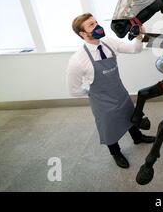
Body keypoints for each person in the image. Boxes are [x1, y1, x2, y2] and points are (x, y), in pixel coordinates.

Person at [66, 13, 155, 169]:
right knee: (109, 128)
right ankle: (116, 153)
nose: (97, 27)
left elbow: (135, 50)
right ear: (82, 34)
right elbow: (73, 90)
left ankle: (138, 137)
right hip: (102, 102)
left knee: (130, 116)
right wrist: (91, 91)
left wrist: (140, 36)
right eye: (91, 25)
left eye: (96, 22)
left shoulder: (108, 43)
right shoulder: (77, 60)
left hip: (120, 92)